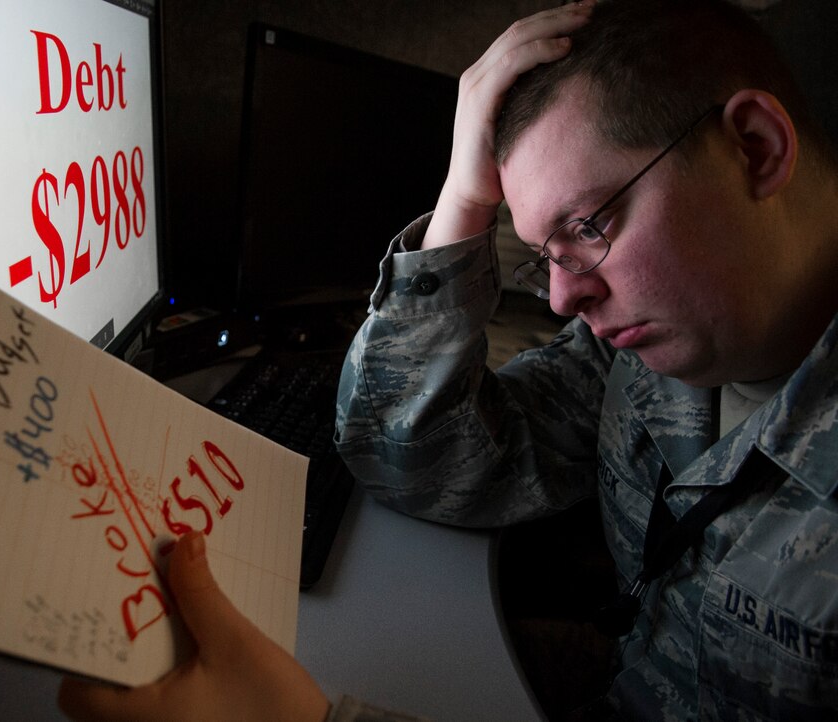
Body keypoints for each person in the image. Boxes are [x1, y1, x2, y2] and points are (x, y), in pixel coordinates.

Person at [58, 0, 838, 719]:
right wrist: (464, 198)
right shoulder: (647, 362)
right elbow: (414, 461)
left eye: (590, 226)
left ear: (756, 148)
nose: (564, 301)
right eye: (544, 257)